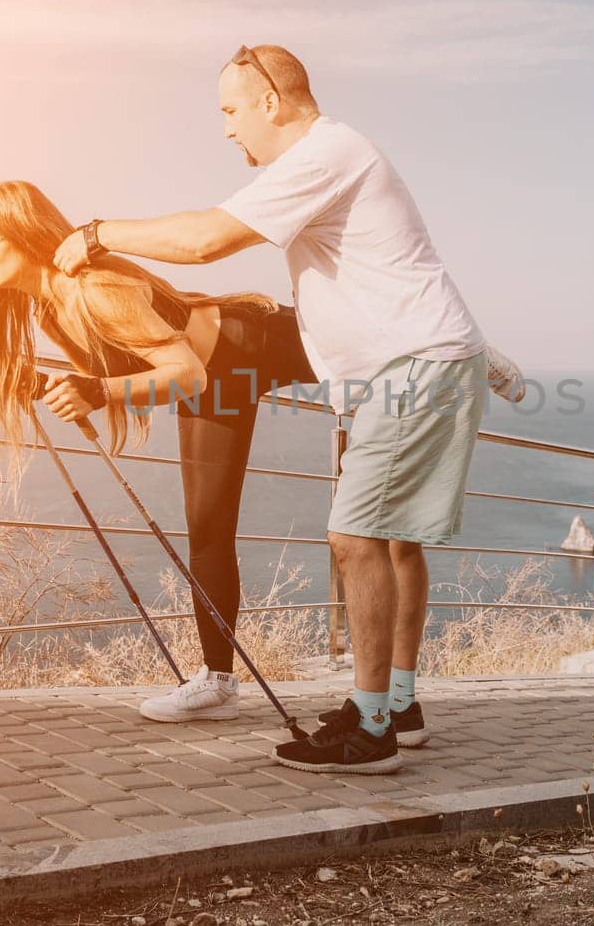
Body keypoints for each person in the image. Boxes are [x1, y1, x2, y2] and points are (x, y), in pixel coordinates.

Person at [54, 44, 488, 775]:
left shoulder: (322, 154)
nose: (227, 130)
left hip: (411, 372)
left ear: (271, 101)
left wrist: (96, 234)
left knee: (354, 538)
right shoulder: (340, 156)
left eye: (230, 110)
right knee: (391, 541)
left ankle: (372, 729)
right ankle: (393, 705)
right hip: (416, 365)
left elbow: (202, 241)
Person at [0, 179, 318, 722]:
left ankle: (468, 354)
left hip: (253, 341)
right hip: (217, 383)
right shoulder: (53, 311)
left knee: (383, 348)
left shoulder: (93, 286)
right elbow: (126, 368)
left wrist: (96, 393)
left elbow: (182, 372)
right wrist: (52, 385)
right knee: (208, 528)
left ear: (22, 229)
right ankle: (217, 681)